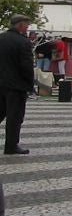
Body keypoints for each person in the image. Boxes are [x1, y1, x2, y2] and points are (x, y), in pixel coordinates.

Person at [0, 14, 34, 154]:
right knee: (15, 117)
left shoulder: (1, 38)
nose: (27, 28)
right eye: (26, 25)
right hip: (16, 85)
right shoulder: (23, 42)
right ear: (20, 25)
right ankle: (11, 146)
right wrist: (30, 84)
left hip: (0, 83)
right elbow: (26, 66)